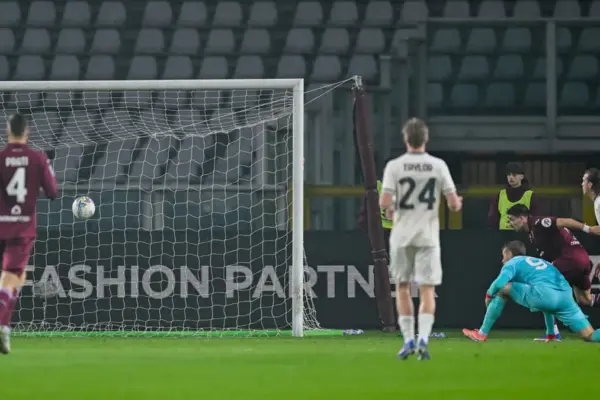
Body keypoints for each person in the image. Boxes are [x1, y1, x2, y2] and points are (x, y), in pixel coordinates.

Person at [379, 118, 462, 360]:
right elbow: (454, 204)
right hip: (427, 236)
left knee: (402, 287)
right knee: (427, 289)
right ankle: (423, 339)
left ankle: (408, 340)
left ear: (406, 139)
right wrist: (457, 203)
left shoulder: (395, 166)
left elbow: (384, 202)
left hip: (402, 235)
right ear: (426, 139)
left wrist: (392, 208)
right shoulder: (438, 165)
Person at [463, 241, 600, 343]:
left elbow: (499, 284)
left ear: (509, 254)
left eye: (503, 256)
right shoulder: (540, 262)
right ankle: (551, 334)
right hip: (566, 297)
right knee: (590, 335)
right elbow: (548, 304)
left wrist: (488, 295)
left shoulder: (513, 262)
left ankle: (482, 333)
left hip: (546, 295)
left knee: (502, 290)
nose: (502, 260)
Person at [0, 113, 58, 354]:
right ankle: (2, 324)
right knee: (13, 277)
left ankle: (4, 326)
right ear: (27, 132)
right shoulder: (37, 158)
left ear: (7, 131)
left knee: (13, 278)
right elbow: (52, 191)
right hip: (22, 228)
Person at [506, 204, 600, 340]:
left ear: (522, 218)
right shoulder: (533, 234)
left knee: (545, 287)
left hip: (570, 259)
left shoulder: (538, 223)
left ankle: (553, 332)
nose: (510, 223)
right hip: (582, 260)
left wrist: (588, 229)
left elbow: (563, 221)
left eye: (511, 219)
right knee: (585, 299)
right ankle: (559, 328)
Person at [488, 162, 540, 230]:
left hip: (523, 234)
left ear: (522, 176)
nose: (511, 177)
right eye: (508, 175)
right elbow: (492, 218)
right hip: (502, 234)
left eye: (514, 174)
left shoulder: (530, 196)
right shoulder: (500, 195)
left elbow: (536, 219)